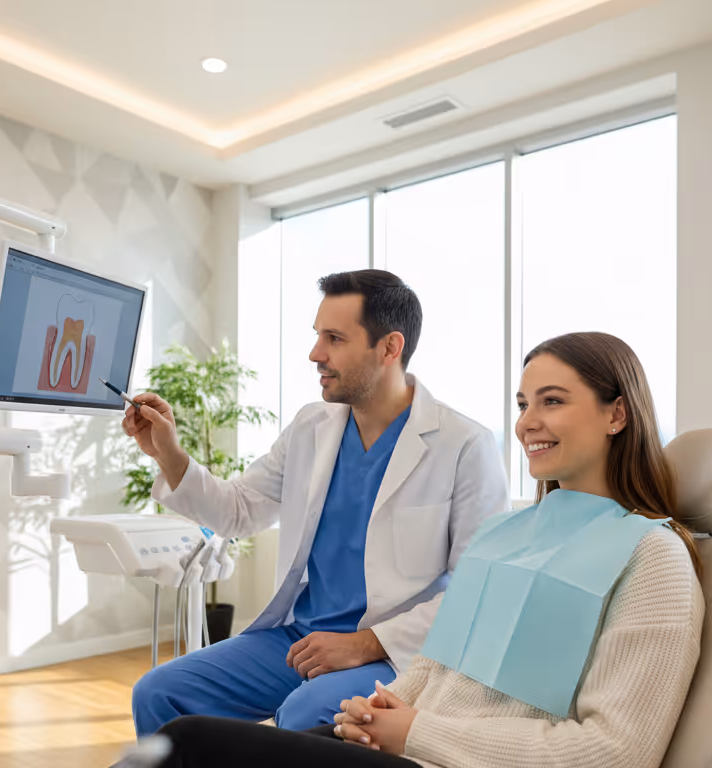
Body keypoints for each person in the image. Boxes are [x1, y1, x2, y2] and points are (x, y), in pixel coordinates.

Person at [0, 331, 704, 768]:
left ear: (617, 413)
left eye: (553, 401)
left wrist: (419, 731)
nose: (528, 423)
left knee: (194, 752)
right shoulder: (516, 535)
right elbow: (442, 666)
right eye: (522, 404)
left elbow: (614, 763)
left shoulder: (652, 560)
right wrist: (381, 711)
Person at [125, 269, 509, 733]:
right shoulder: (311, 426)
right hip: (300, 639)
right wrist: (168, 453)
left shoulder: (465, 445)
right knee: (159, 693)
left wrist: (366, 643)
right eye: (317, 335)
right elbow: (239, 512)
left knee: (304, 715)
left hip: (393, 652)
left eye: (334, 339)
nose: (315, 354)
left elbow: (478, 594)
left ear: (390, 347)